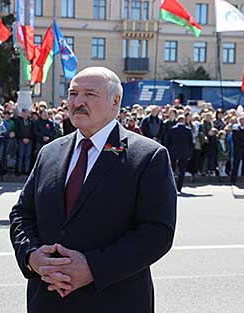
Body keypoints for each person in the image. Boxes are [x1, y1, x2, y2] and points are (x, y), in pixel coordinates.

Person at [9, 66, 177, 313]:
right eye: (73, 93)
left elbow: (157, 233)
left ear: (115, 101)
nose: (78, 102)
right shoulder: (50, 152)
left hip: (114, 300)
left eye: (89, 94)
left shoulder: (147, 156)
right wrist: (31, 256)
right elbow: (22, 214)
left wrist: (92, 267)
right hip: (47, 299)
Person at [166, 115, 194, 193]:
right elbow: (190, 143)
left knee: (172, 170)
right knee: (182, 171)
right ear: (184, 121)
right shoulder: (188, 130)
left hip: (173, 152)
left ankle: (172, 186)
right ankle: (179, 187)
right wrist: (189, 153)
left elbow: (167, 142)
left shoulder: (172, 129)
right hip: (184, 152)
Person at [230, 114, 244, 186]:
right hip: (238, 149)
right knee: (236, 165)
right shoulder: (236, 130)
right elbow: (235, 140)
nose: (243, 121)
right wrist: (243, 144)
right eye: (242, 120)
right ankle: (233, 180)